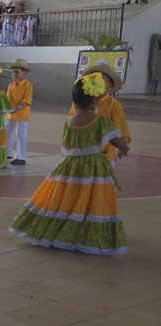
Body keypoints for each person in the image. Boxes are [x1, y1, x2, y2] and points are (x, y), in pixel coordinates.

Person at [10, 73, 130, 255]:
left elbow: (68, 145)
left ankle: (60, 232)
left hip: (71, 167)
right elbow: (117, 140)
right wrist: (124, 148)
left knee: (69, 199)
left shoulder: (70, 122)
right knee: (91, 201)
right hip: (94, 170)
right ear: (94, 101)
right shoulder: (101, 121)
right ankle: (85, 235)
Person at [68, 64, 131, 167]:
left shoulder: (114, 105)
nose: (98, 85)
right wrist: (123, 147)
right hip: (85, 159)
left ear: (111, 85)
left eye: (103, 81)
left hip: (104, 157)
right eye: (95, 81)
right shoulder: (79, 106)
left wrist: (123, 143)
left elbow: (122, 128)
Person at [6, 58, 33, 165]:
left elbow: (26, 101)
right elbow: (7, 99)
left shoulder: (28, 85)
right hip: (10, 114)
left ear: (24, 72)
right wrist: (7, 108)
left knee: (21, 135)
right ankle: (6, 152)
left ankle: (21, 157)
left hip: (22, 114)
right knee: (7, 133)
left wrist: (16, 109)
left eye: (17, 72)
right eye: (13, 72)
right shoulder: (11, 85)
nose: (15, 74)